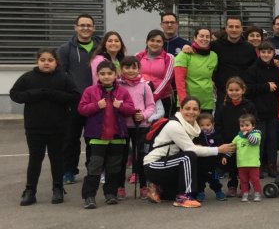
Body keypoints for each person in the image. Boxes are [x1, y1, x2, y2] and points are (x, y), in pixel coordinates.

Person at [10, 49, 79, 206]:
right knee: (35, 159)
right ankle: (30, 191)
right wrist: (37, 93)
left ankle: (58, 188)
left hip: (58, 127)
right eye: (43, 60)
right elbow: (15, 94)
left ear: (56, 62)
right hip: (35, 128)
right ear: (37, 61)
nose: (46, 62)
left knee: (57, 159)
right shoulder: (28, 78)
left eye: (50, 60)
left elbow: (75, 97)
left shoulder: (64, 78)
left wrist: (52, 94)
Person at [143, 97, 235, 208]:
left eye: (195, 109)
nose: (191, 112)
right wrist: (219, 149)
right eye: (187, 108)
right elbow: (191, 149)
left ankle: (158, 187)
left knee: (176, 194)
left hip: (169, 164)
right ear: (180, 109)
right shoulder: (174, 125)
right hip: (154, 165)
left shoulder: (192, 126)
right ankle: (183, 197)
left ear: (199, 111)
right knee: (188, 156)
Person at [77, 61, 136, 209]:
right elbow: (82, 109)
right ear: (97, 75)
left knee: (114, 168)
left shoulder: (122, 91)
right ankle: (89, 196)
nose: (106, 76)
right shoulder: (90, 91)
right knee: (94, 167)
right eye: (102, 74)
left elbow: (131, 109)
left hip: (117, 137)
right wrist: (97, 105)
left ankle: (110, 193)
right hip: (97, 138)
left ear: (115, 74)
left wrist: (120, 106)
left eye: (109, 73)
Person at [58, 14, 97, 185]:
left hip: (96, 101)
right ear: (76, 27)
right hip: (74, 101)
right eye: (82, 25)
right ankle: (69, 170)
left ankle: (93, 169)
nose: (85, 28)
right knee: (71, 138)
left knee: (93, 138)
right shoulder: (65, 49)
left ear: (94, 28)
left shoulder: (100, 47)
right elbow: (61, 75)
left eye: (89, 25)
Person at [118, 56, 161, 200]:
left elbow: (151, 106)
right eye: (127, 67)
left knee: (141, 156)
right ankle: (120, 186)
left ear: (138, 69)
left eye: (134, 67)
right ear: (121, 69)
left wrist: (143, 115)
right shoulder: (118, 85)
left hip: (141, 126)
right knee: (122, 157)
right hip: (123, 126)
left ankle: (144, 185)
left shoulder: (145, 86)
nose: (131, 71)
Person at [244, 43, 279, 174]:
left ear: (273, 54)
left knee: (273, 139)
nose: (266, 55)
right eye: (263, 52)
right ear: (259, 53)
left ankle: (272, 166)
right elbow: (247, 89)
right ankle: (257, 167)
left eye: (269, 52)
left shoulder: (276, 69)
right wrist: (266, 86)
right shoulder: (252, 69)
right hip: (258, 111)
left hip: (272, 111)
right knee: (259, 139)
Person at [214, 76, 256, 194]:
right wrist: (221, 140)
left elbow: (254, 122)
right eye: (231, 90)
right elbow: (218, 124)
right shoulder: (223, 107)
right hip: (229, 142)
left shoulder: (249, 106)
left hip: (245, 142)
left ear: (243, 90)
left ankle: (245, 186)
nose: (234, 93)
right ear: (227, 91)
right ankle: (232, 185)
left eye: (237, 90)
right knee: (232, 165)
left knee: (243, 165)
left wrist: (250, 135)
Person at [172, 27, 218, 112]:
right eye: (201, 36)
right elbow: (179, 81)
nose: (204, 39)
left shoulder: (214, 56)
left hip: (207, 102)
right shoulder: (184, 55)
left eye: (207, 37)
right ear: (195, 38)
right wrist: (184, 102)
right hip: (188, 103)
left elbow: (213, 76)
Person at [211, 17, 256, 97]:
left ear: (242, 29)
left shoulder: (249, 48)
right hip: (221, 94)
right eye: (231, 26)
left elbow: (255, 69)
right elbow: (200, 55)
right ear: (226, 28)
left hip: (243, 95)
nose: (234, 29)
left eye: (237, 27)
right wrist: (188, 47)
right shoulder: (215, 46)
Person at [137, 30, 175, 118]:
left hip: (163, 98)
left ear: (163, 43)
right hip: (142, 97)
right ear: (147, 41)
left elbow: (167, 79)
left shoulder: (169, 57)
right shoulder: (139, 56)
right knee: (143, 125)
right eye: (152, 40)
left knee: (162, 126)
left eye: (158, 41)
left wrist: (153, 97)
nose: (155, 43)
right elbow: (135, 75)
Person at [229, 113, 263, 202]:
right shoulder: (238, 137)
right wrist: (226, 156)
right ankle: (245, 193)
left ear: (253, 126)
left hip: (253, 163)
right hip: (241, 164)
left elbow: (254, 142)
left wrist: (247, 135)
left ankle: (257, 193)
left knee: (255, 180)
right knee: (243, 181)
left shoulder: (256, 135)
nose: (244, 128)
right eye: (242, 126)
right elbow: (232, 147)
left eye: (247, 125)